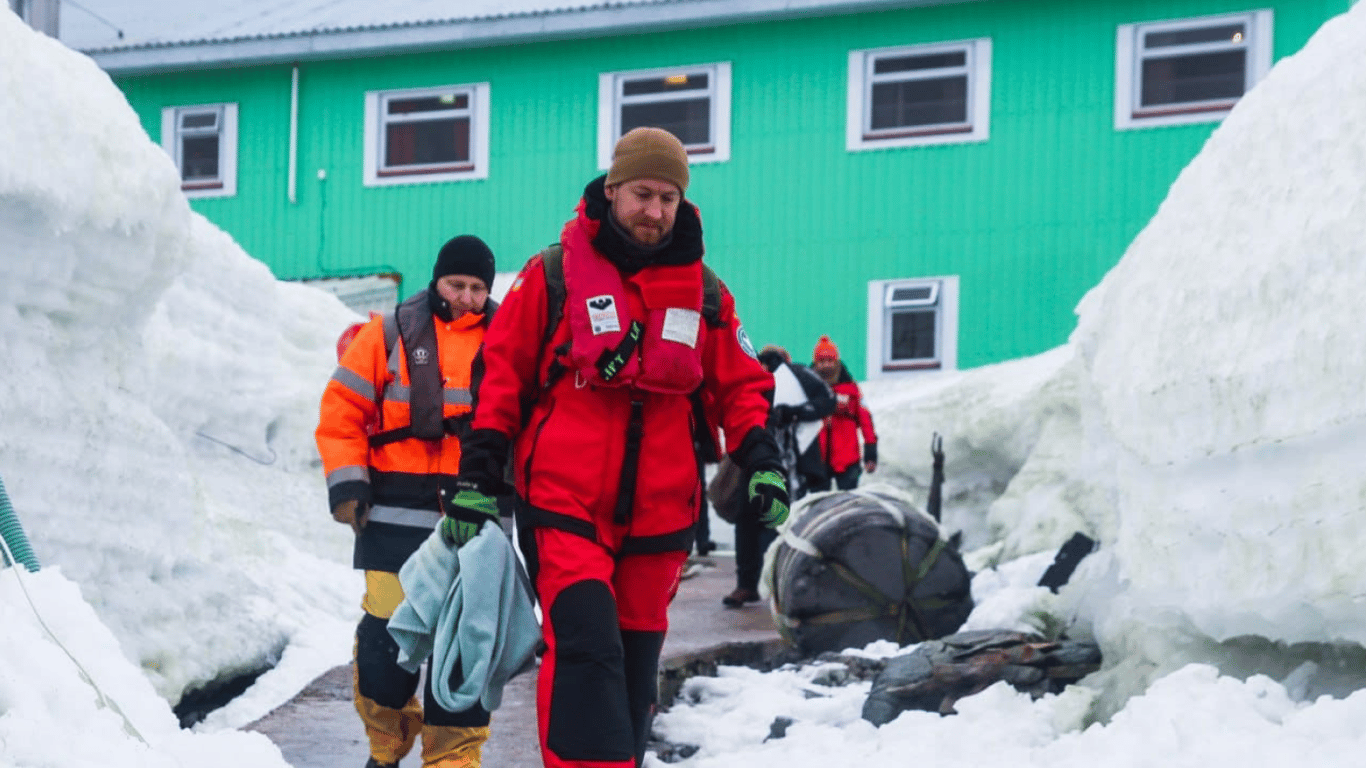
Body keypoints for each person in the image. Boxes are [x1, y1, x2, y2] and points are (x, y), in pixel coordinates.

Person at [446, 127, 787, 768]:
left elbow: (741, 386)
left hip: (660, 516)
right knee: (586, 649)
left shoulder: (707, 293)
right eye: (642, 194)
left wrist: (761, 459)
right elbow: (502, 375)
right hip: (563, 502)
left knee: (633, 668)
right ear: (612, 190)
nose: (655, 211)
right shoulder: (551, 275)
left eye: (668, 198)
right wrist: (479, 472)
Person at [315, 235, 500, 768]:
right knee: (385, 642)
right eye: (455, 284)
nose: (466, 296)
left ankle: (453, 759)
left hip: (479, 519)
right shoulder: (388, 333)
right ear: (435, 281)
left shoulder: (510, 338)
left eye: (477, 287)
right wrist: (349, 485)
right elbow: (342, 411)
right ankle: (386, 748)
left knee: (467, 647)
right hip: (395, 518)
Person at [723, 344, 834, 608]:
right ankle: (746, 584)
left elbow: (827, 400)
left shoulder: (798, 375)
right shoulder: (752, 378)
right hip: (755, 459)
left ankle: (782, 584)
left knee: (781, 521)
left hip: (790, 464)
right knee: (747, 519)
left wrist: (794, 413)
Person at [810, 335, 878, 491]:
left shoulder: (851, 389)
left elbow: (865, 420)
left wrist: (870, 452)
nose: (826, 365)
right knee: (818, 505)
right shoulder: (808, 388)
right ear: (815, 363)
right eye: (821, 361)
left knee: (848, 503)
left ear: (836, 362)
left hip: (847, 459)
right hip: (817, 459)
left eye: (830, 360)